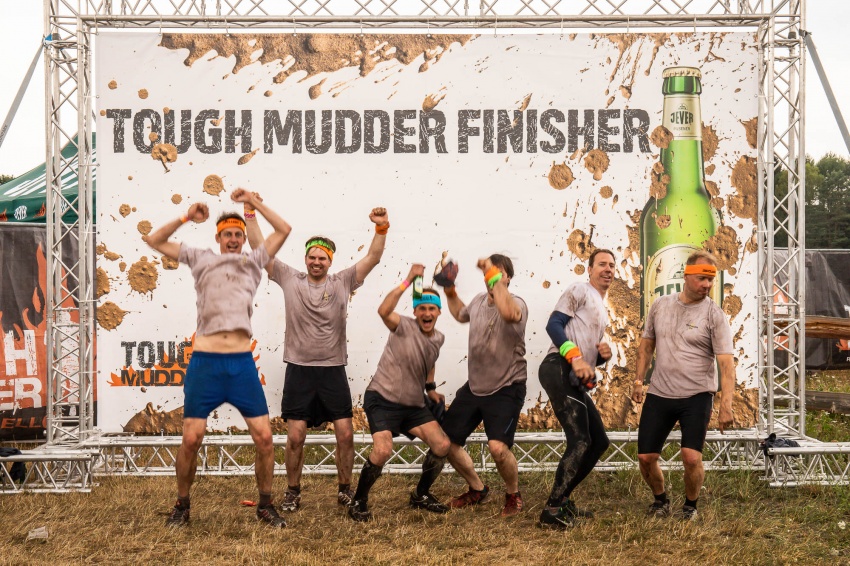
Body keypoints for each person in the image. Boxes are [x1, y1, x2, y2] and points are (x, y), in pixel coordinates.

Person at [145, 189, 291, 528]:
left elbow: (284, 230)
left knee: (265, 439)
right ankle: (182, 505)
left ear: (244, 239)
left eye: (239, 234)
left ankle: (265, 505)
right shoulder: (201, 258)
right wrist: (186, 216)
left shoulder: (254, 261)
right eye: (228, 234)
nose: (234, 239)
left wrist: (254, 202)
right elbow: (154, 240)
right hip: (205, 364)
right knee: (191, 439)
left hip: (240, 365)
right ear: (218, 237)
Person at [246, 204, 388, 511]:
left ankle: (345, 490)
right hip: (299, 370)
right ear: (305, 258)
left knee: (345, 434)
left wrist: (381, 228)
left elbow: (373, 257)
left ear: (329, 261)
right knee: (295, 437)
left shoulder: (342, 282)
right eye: (312, 257)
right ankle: (292, 491)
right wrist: (250, 213)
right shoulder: (290, 278)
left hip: (332, 369)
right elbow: (260, 250)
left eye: (322, 258)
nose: (316, 262)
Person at [631, 250, 735, 521]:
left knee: (690, 457)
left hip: (697, 395)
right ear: (686, 276)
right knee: (645, 457)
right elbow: (646, 347)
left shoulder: (714, 315)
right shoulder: (660, 305)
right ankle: (660, 500)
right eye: (702, 278)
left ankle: (690, 506)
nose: (707, 285)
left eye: (711, 280)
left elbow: (726, 365)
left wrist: (726, 405)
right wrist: (638, 381)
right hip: (660, 392)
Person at [348, 264, 451, 522]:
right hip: (382, 399)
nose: (427, 313)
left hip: (413, 405)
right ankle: (358, 500)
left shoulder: (438, 338)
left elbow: (430, 361)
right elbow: (383, 310)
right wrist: (408, 280)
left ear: (439, 312)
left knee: (442, 445)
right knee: (383, 450)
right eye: (422, 308)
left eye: (432, 308)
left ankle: (420, 495)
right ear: (415, 312)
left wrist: (430, 388)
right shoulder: (403, 325)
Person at [436, 254, 528, 517]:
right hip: (475, 386)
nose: (492, 278)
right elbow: (459, 313)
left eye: (499, 273)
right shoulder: (478, 301)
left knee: (498, 448)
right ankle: (477, 489)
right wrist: (449, 289)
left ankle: (513, 494)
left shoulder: (517, 304)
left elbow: (509, 313)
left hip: (507, 386)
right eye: (489, 273)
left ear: (508, 278)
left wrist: (489, 269)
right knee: (445, 442)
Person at [537, 249, 615, 529]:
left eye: (612, 265)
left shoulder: (601, 309)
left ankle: (563, 498)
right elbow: (553, 325)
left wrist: (602, 357)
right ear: (589, 269)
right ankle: (552, 510)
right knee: (580, 440)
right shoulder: (579, 289)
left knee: (599, 441)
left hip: (571, 374)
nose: (608, 269)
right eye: (602, 264)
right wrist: (576, 357)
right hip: (556, 366)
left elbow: (587, 356)